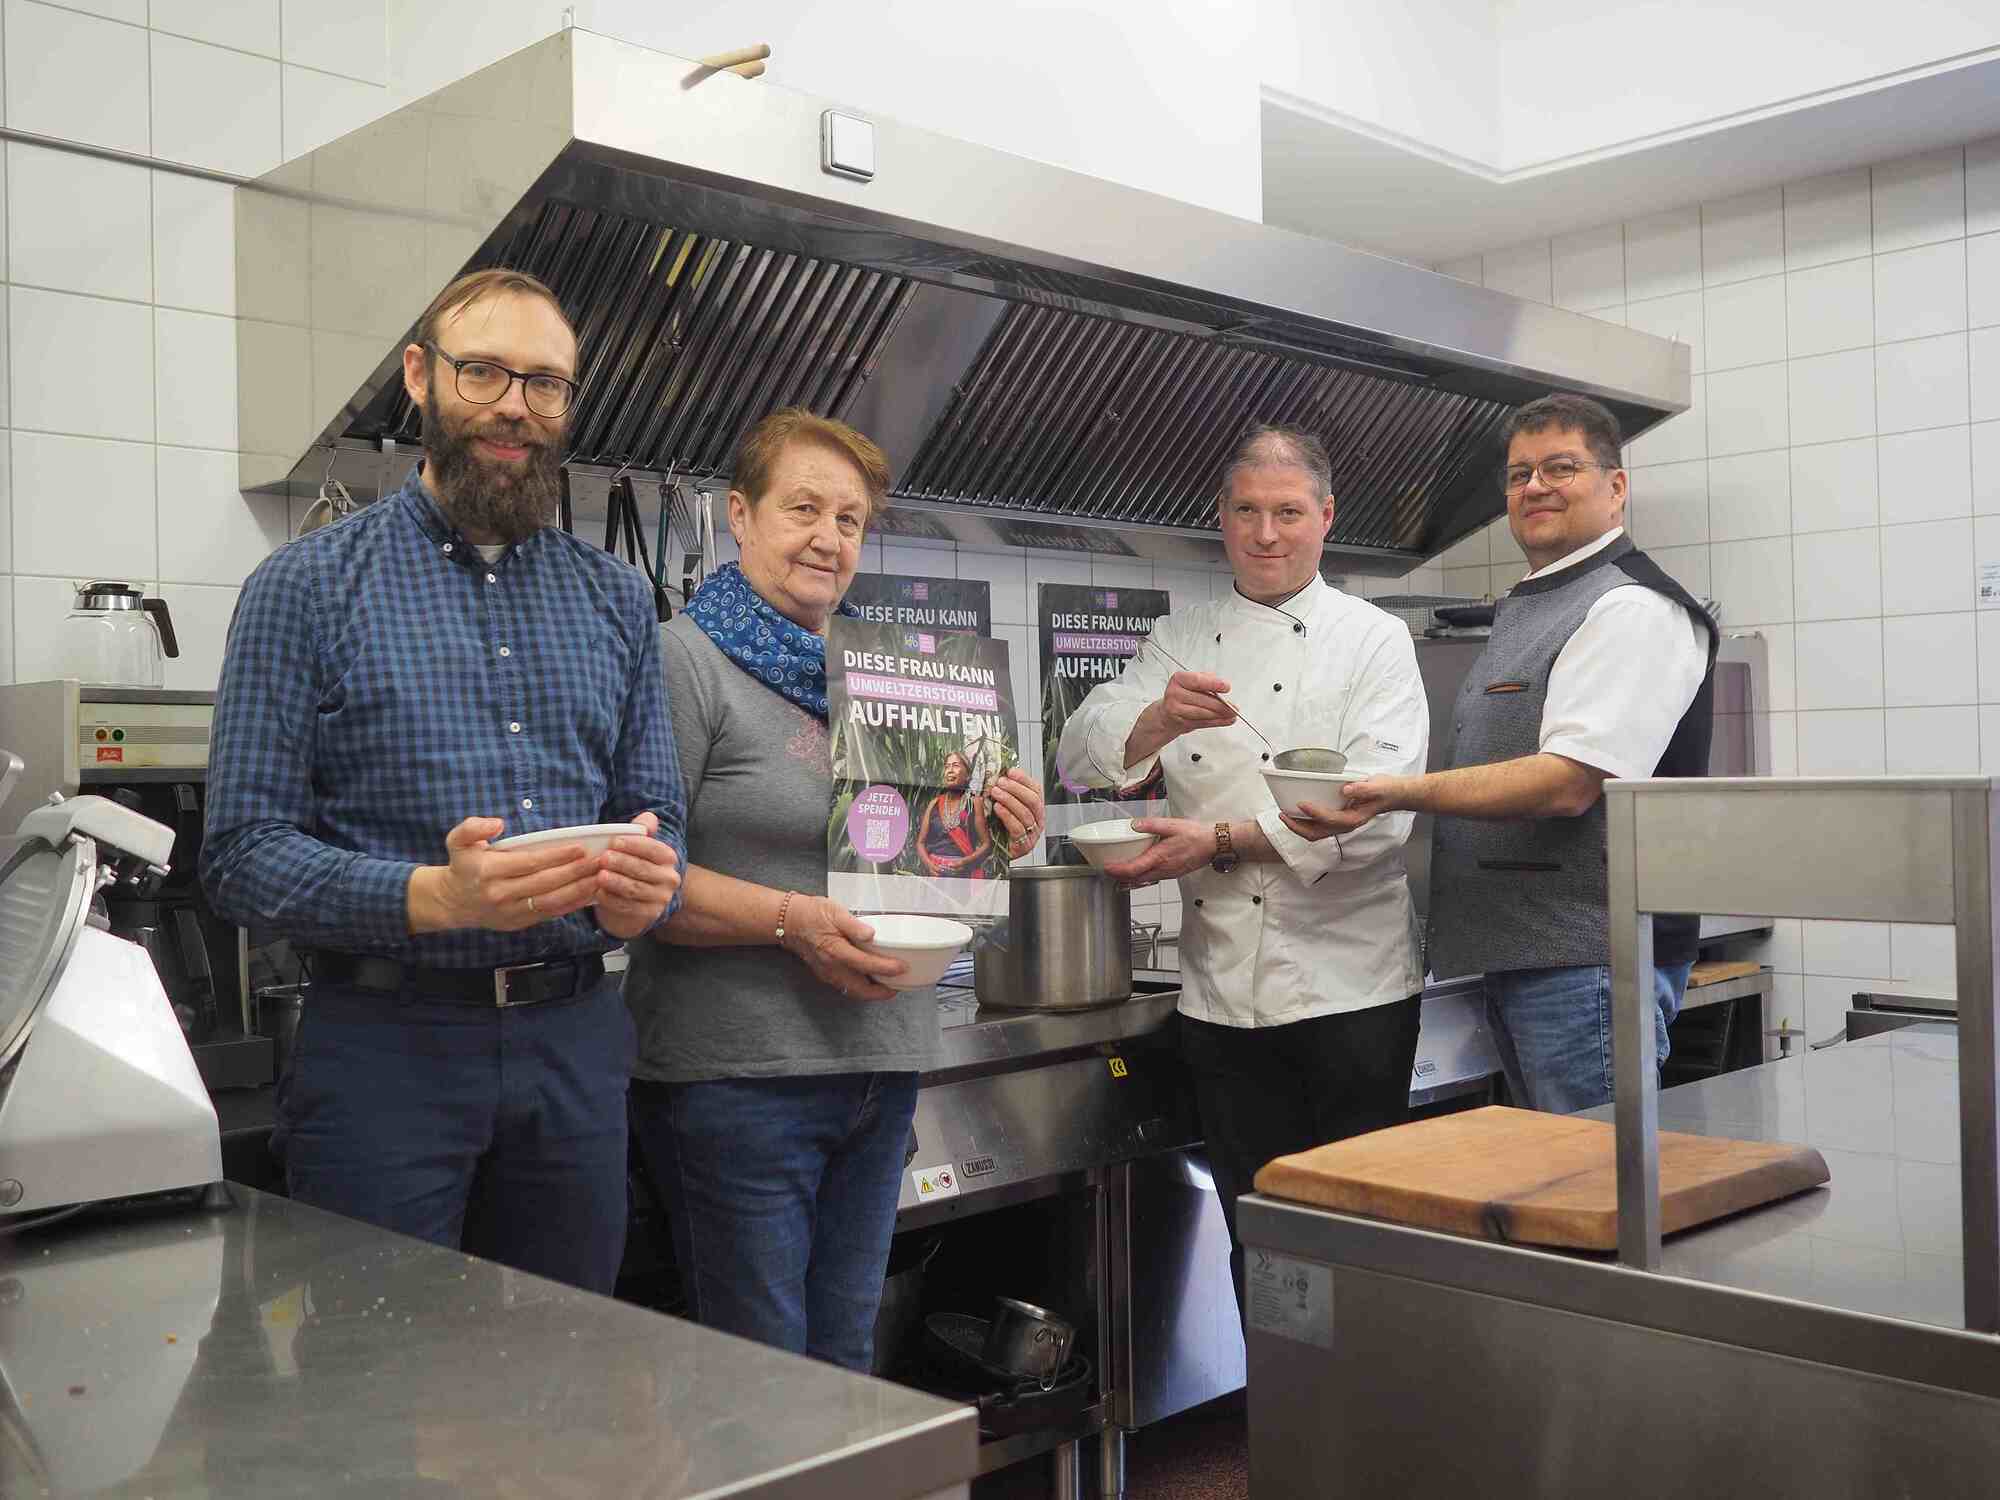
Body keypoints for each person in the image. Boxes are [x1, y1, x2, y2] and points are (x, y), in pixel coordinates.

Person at [203, 267, 686, 1294]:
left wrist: (651, 886)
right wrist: (430, 896)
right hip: (384, 1054)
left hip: (574, 1049)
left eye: (544, 384)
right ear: (420, 377)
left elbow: (658, 822)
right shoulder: (303, 589)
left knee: (565, 1376)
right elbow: (240, 854)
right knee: (379, 1388)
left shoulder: (615, 601)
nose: (515, 405)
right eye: (484, 373)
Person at [623, 408, 1047, 1371]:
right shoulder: (682, 661)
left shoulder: (886, 677)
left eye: (850, 519)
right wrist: (788, 923)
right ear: (741, 513)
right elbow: (643, 882)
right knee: (766, 1381)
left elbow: (916, 871)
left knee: (848, 1368)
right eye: (802, 508)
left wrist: (997, 836)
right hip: (739, 1080)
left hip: (879, 1067)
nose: (828, 538)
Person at [1056, 423, 1430, 1320]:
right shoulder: (1180, 637)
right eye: (1247, 513)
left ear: (1326, 518)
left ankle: (1365, 1442)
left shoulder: (1375, 640)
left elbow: (1375, 814)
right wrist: (1154, 720)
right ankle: (1284, 1432)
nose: (1267, 534)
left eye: (1288, 513)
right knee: (1255, 1235)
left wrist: (1216, 840)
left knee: (1357, 1237)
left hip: (1353, 993)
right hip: (1221, 994)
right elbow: (1076, 759)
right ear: (1220, 520)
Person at [1300, 392, 1717, 1115]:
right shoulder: (1544, 599)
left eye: (1561, 467)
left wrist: (1396, 790)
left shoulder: (1631, 607)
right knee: (1561, 1195)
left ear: (1616, 487)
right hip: (1528, 958)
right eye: (1520, 474)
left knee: (1596, 1200)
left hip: (1587, 961)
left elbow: (1566, 785)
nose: (1535, 487)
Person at [915, 751, 994, 877]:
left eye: (956, 765)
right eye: (947, 766)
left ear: (967, 775)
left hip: (962, 876)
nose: (950, 770)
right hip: (935, 874)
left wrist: (965, 862)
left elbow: (987, 844)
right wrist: (929, 865)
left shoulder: (974, 803)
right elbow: (920, 842)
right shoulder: (934, 804)